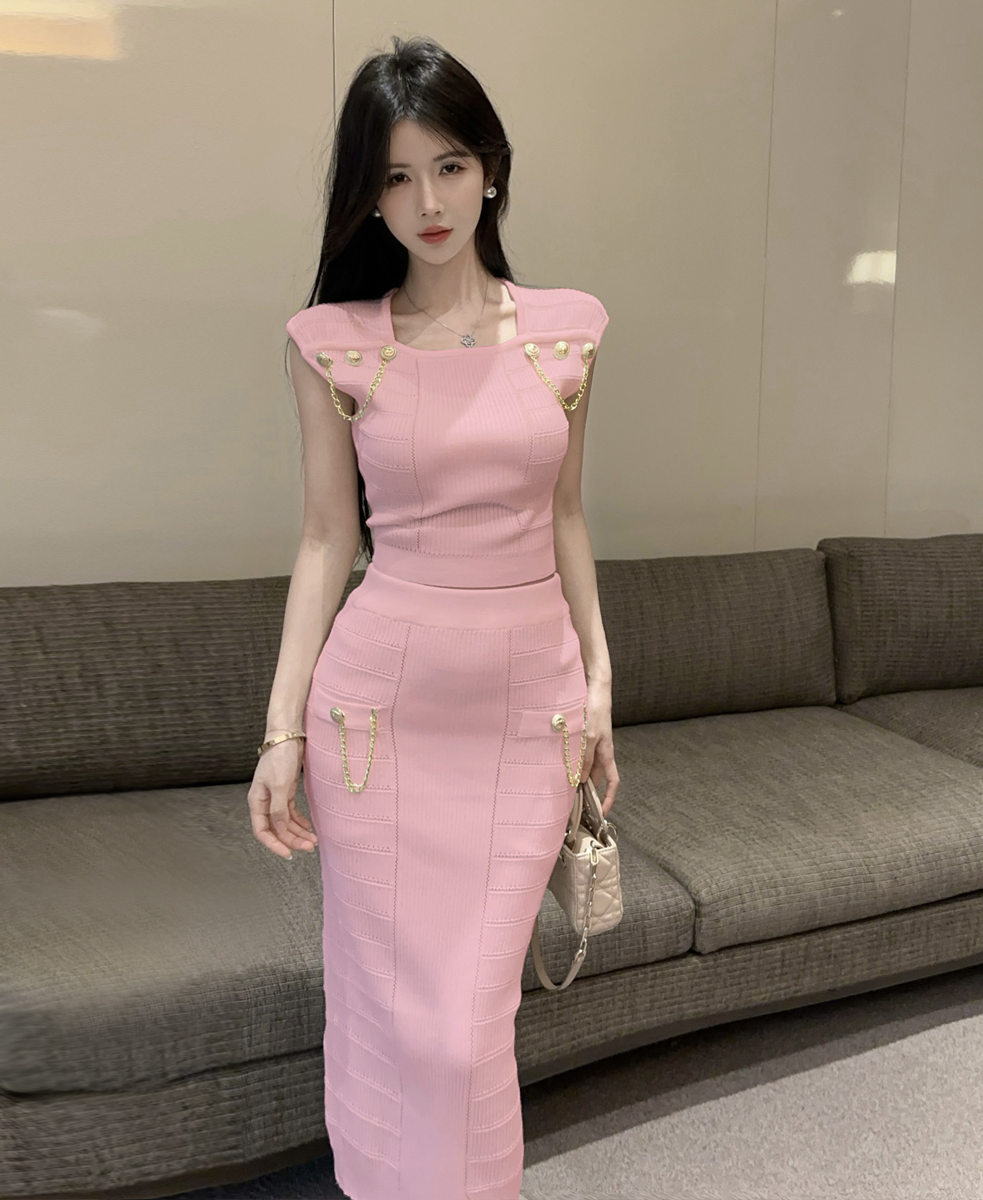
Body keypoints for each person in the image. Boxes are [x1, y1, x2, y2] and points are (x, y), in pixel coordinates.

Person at [248, 35, 620, 1200]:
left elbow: (566, 515)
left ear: (490, 168)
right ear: (370, 196)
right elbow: (327, 539)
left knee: (470, 1025)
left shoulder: (567, 331)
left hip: (526, 709)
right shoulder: (332, 344)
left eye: (450, 166)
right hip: (381, 717)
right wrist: (281, 731)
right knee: (391, 1012)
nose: (429, 203)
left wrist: (600, 684)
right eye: (398, 178)